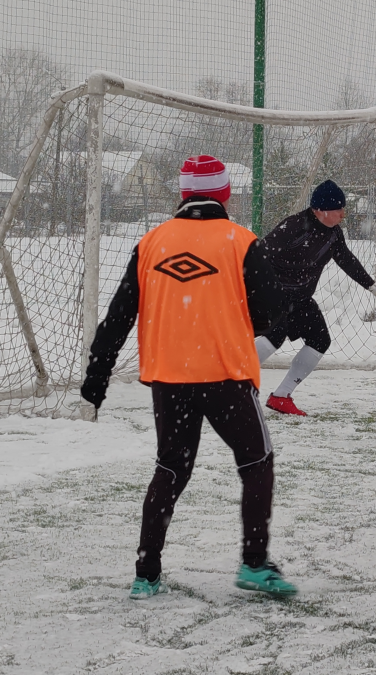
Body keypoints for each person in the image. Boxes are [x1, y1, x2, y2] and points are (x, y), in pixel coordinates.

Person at [80, 155, 298, 599]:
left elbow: (118, 316)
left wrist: (97, 375)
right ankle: (254, 564)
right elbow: (276, 308)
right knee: (257, 463)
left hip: (169, 379)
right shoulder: (240, 242)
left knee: (171, 469)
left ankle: (146, 573)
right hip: (225, 376)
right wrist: (239, 321)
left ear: (183, 194)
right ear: (225, 193)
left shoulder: (152, 243)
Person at [255, 179, 376, 416]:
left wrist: (373, 287)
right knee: (275, 335)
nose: (343, 214)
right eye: (338, 209)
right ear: (320, 210)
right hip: (274, 296)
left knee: (320, 340)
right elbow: (259, 255)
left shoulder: (333, 234)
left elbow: (347, 261)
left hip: (300, 299)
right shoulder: (294, 226)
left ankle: (281, 396)